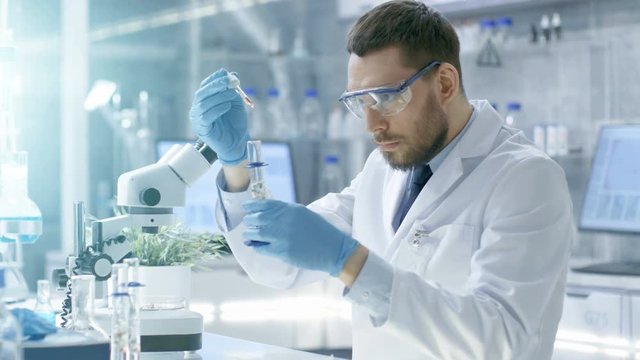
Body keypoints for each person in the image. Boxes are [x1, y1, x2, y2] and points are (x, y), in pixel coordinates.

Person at [189, 1, 573, 359]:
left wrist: (351, 262)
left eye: (386, 98)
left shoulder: (525, 178)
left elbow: (503, 341)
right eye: (360, 102)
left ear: (444, 83)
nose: (372, 125)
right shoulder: (384, 168)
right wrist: (235, 163)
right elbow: (276, 265)